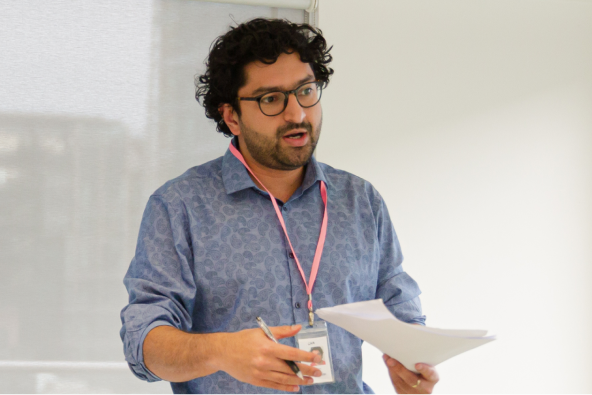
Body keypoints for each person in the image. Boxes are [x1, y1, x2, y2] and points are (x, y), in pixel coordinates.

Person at [120, 18, 439, 395]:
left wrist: (413, 361)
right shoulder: (180, 207)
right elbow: (143, 343)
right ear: (232, 116)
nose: (297, 114)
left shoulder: (360, 200)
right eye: (271, 99)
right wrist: (220, 351)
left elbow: (400, 306)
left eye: (305, 90)